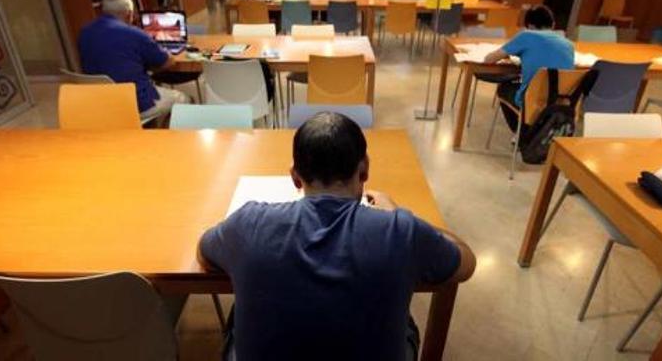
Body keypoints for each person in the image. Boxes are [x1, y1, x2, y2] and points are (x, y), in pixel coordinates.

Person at [197, 112, 475, 361]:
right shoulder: (401, 231)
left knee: (238, 313)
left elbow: (204, 252)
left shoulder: (248, 224)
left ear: (295, 178)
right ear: (364, 169)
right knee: (403, 319)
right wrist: (399, 214)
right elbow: (466, 263)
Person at [78, 0, 189, 119]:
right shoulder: (133, 33)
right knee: (185, 99)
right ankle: (166, 136)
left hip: (103, 103)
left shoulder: (85, 32)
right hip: (136, 103)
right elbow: (168, 62)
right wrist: (154, 68)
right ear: (129, 14)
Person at [481, 5, 574, 131]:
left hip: (533, 101)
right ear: (553, 25)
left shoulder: (526, 36)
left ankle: (522, 133)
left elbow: (490, 59)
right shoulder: (568, 44)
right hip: (561, 102)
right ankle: (537, 130)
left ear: (529, 26)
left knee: (504, 88)